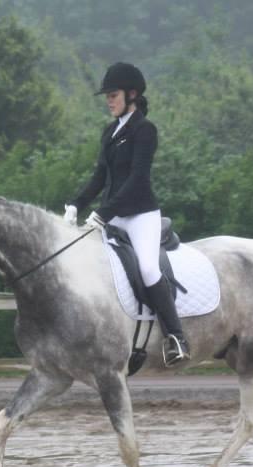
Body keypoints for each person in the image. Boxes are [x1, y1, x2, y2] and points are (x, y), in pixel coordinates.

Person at [64, 62, 189, 366]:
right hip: (113, 215)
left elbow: (137, 179)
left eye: (113, 94)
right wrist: (76, 204)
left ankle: (176, 338)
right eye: (106, 95)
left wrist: (104, 212)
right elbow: (99, 177)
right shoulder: (110, 132)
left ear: (132, 94)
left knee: (147, 268)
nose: (109, 100)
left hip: (140, 215)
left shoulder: (144, 130)